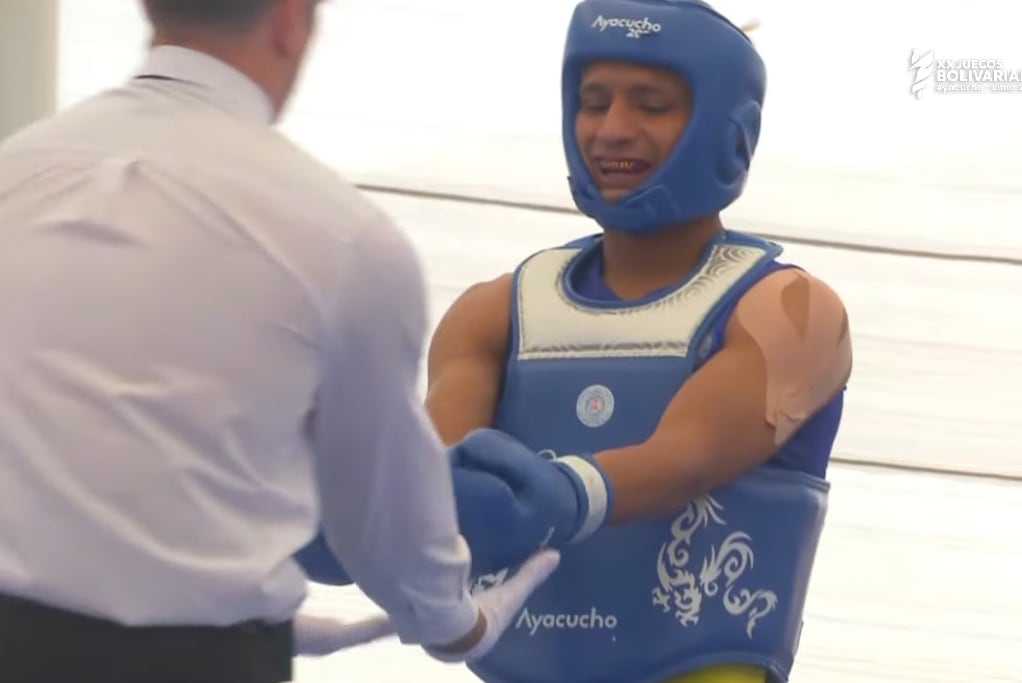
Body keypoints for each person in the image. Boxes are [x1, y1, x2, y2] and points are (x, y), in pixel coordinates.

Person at [0, 1, 556, 681]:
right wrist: (457, 620)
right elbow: (383, 517)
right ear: (292, 19)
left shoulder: (17, 168)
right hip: (198, 660)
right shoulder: (341, 236)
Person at [435, 1, 854, 682]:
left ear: (728, 129)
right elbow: (437, 493)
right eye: (593, 101)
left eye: (652, 104)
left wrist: (560, 492)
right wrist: (347, 522)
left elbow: (686, 455)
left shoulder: (788, 308)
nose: (612, 129)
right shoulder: (492, 314)